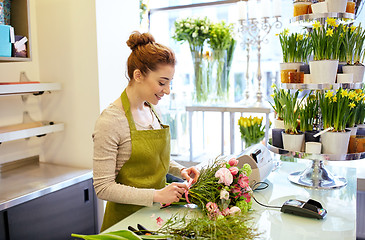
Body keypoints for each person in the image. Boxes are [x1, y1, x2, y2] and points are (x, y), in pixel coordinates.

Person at [92, 31, 200, 232]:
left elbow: (153, 159)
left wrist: (179, 170)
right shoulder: (111, 121)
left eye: (169, 83)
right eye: (162, 82)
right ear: (138, 75)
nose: (167, 90)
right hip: (125, 226)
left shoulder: (152, 109)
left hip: (155, 218)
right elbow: (103, 187)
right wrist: (156, 195)